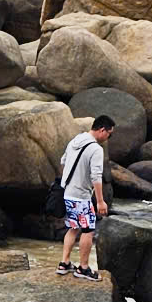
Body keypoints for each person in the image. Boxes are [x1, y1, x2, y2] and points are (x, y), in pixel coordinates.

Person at [56, 116, 114, 278]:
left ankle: (64, 263)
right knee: (88, 230)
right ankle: (83, 268)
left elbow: (63, 161)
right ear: (102, 130)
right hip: (81, 196)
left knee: (73, 228)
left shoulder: (76, 139)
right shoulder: (95, 149)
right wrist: (101, 201)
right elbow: (96, 176)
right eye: (109, 134)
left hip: (68, 192)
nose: (108, 138)